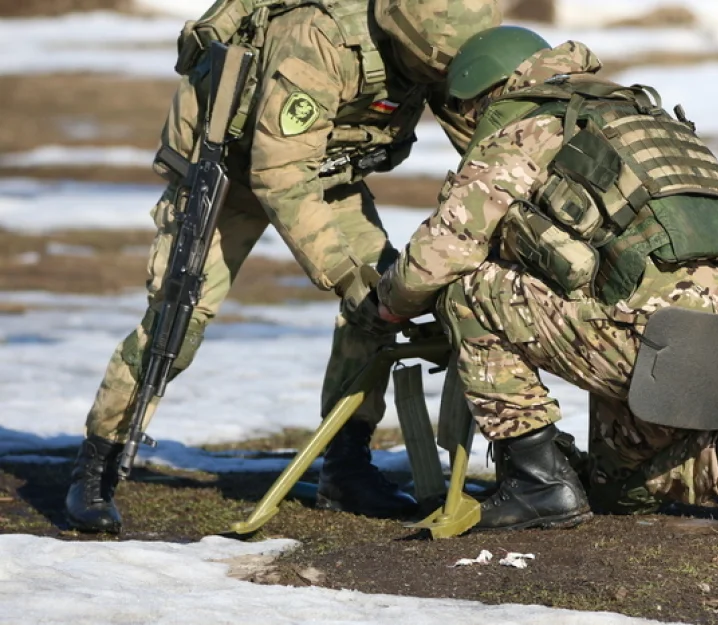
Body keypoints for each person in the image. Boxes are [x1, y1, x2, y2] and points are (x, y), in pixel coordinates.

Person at [64, 0, 502, 534]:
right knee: (178, 321)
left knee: (383, 297)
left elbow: (484, 139)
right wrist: (341, 273)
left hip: (327, 174)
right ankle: (97, 464)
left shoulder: (435, 47)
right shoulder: (319, 39)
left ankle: (346, 466)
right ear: (410, 43)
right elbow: (280, 175)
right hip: (231, 172)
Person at [374, 25, 718, 535]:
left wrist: (385, 304)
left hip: (652, 333)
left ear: (487, 94)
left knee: (466, 292)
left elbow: (438, 255)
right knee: (614, 487)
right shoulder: (633, 113)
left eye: (464, 112)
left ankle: (537, 481)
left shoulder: (526, 126)